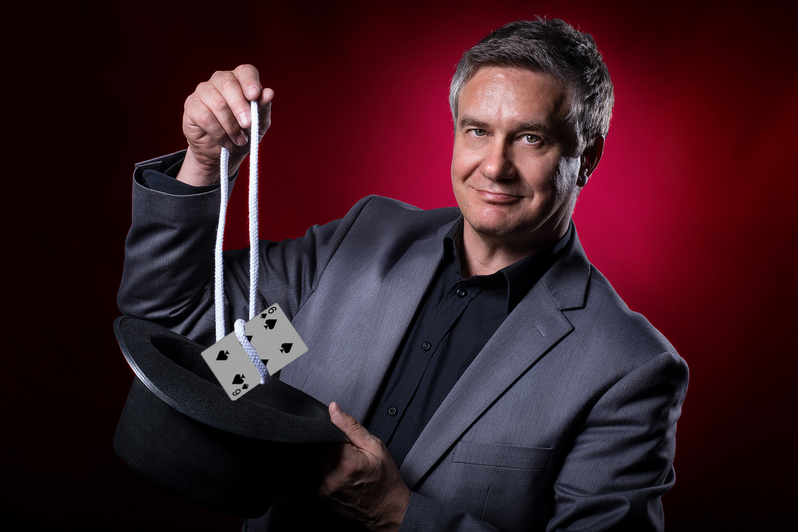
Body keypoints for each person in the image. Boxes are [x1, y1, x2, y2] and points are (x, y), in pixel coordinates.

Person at [118, 18, 688, 532]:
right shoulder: (361, 246)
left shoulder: (625, 369)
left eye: (530, 138)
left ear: (587, 158)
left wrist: (401, 515)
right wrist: (205, 163)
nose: (495, 166)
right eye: (477, 130)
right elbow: (188, 333)